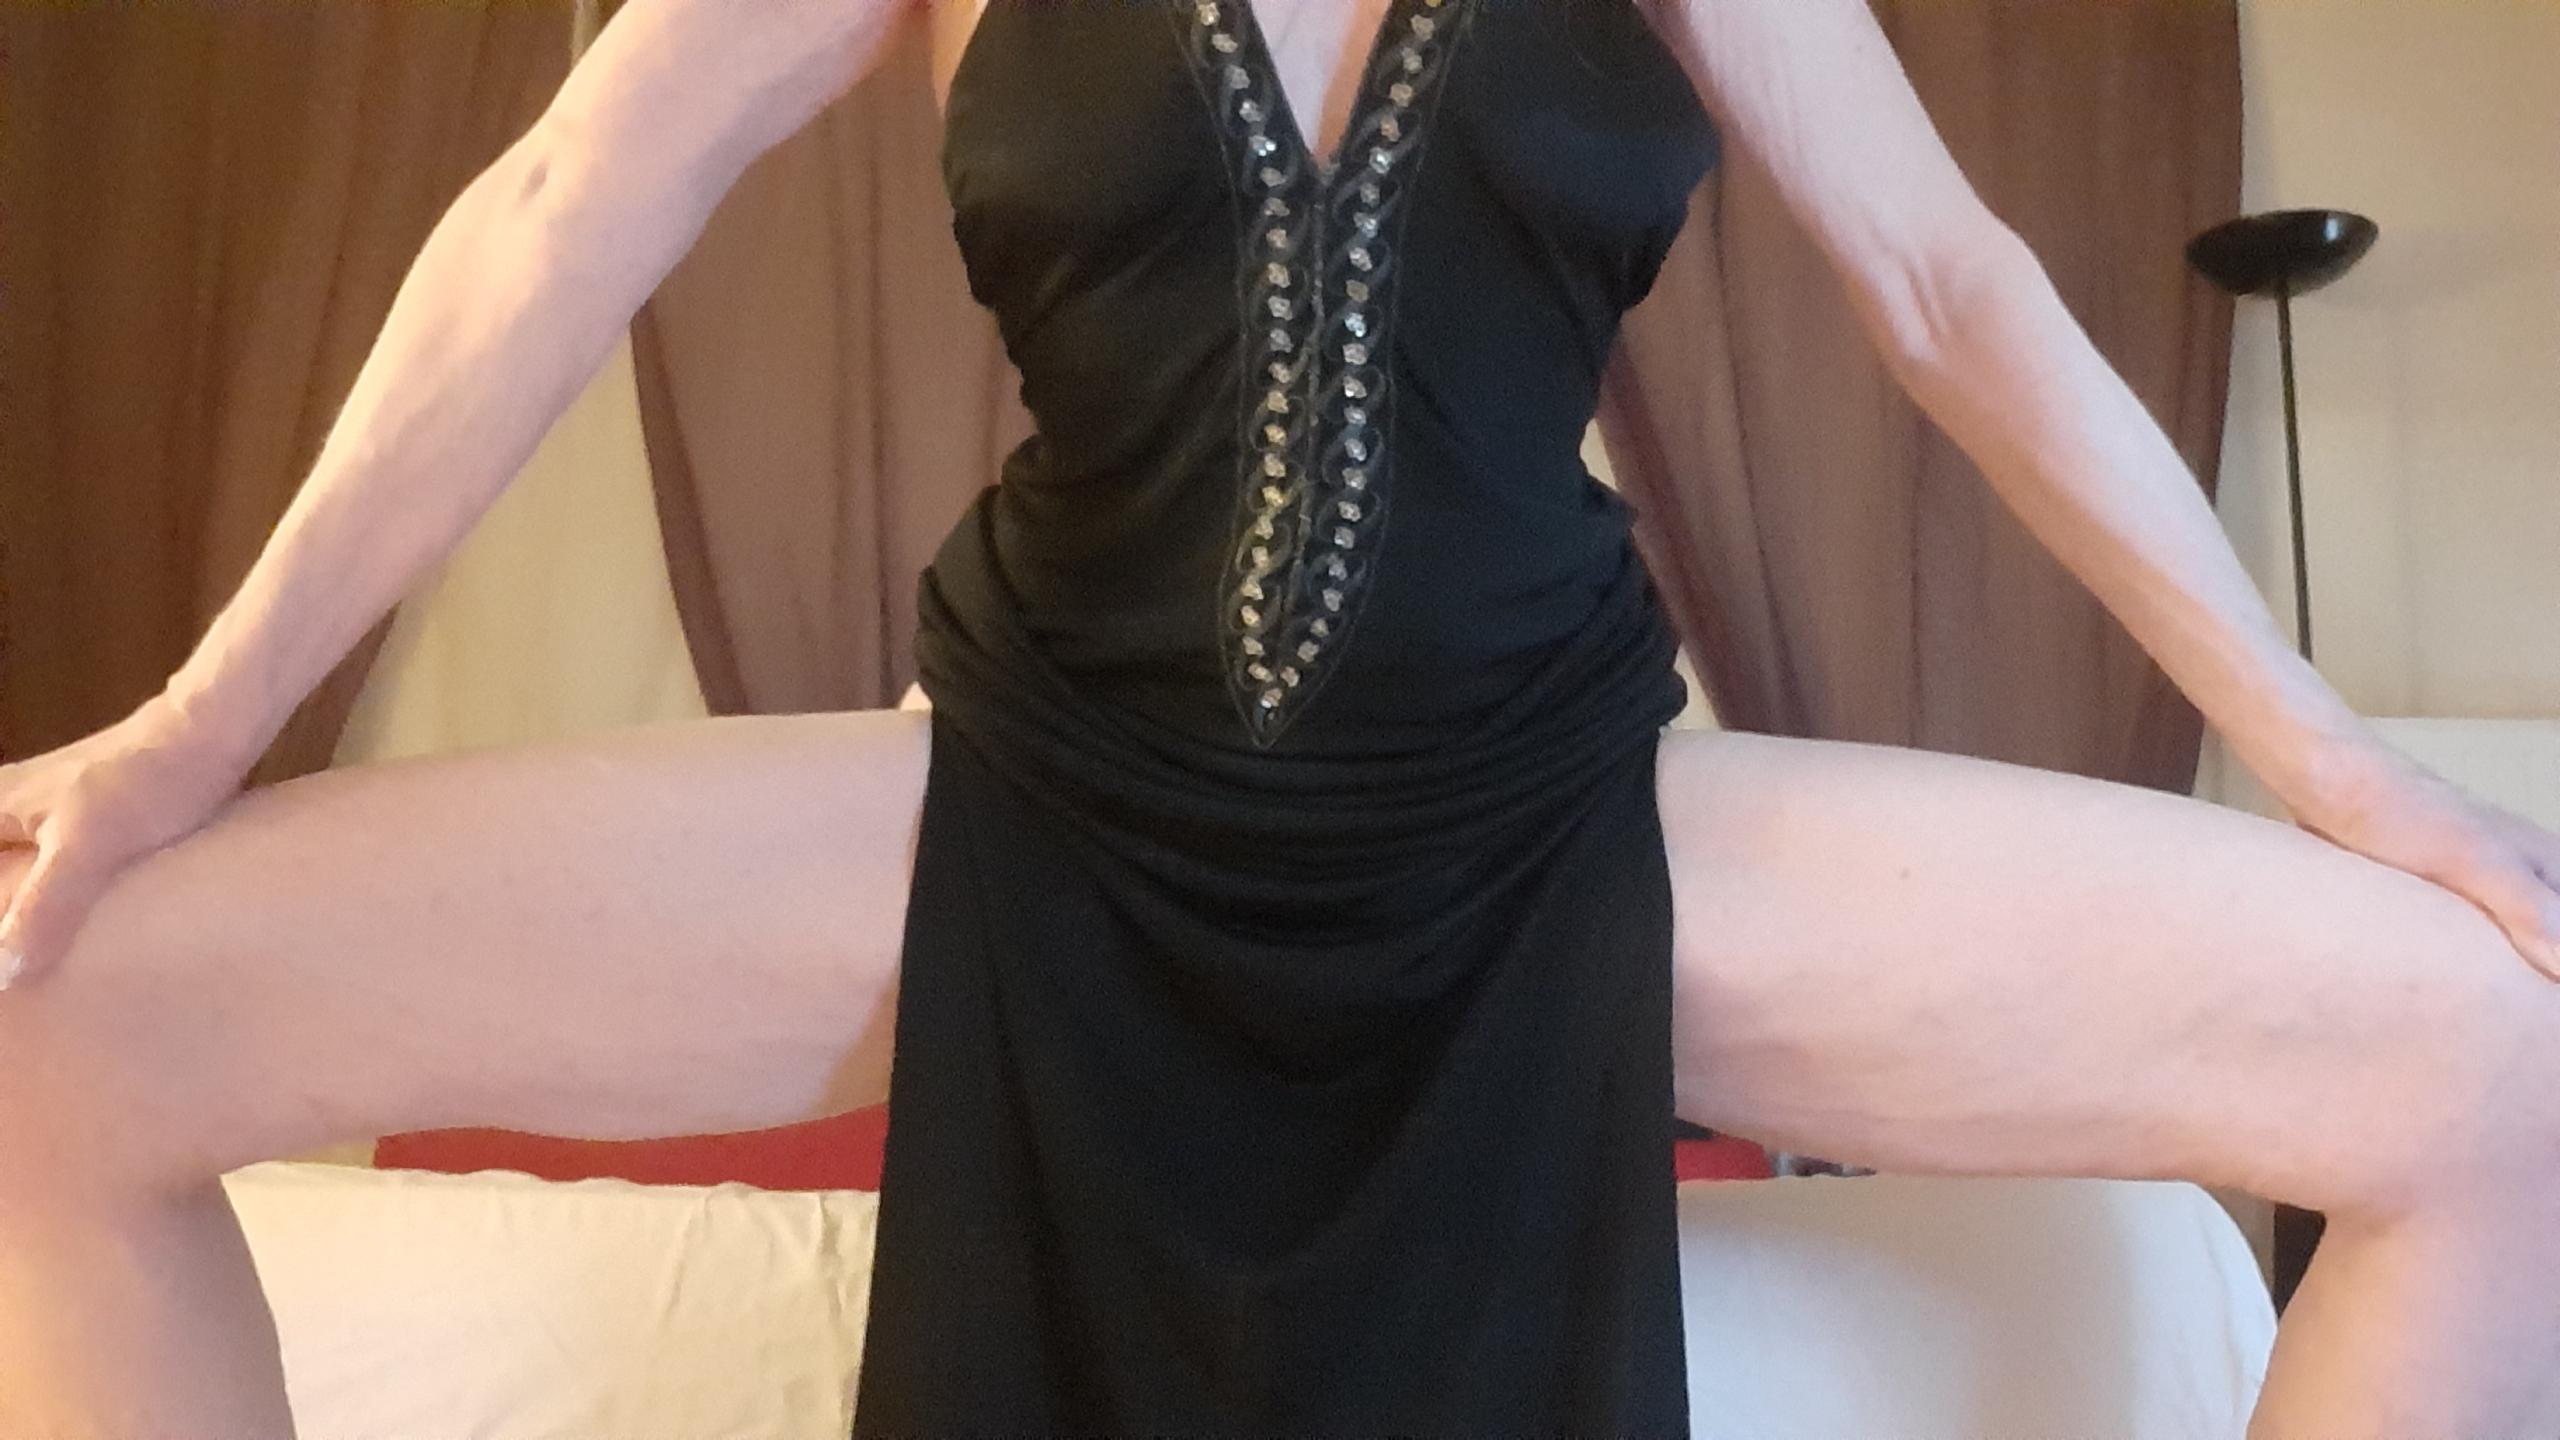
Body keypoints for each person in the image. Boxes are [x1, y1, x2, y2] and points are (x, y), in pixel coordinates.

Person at [4, 0, 2558, 1434]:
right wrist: (207, 717)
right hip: (1035, 793)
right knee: (57, 1025)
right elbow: (562, 207)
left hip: (1553, 808)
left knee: (2482, 1061)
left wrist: (2320, 749)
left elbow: (1945, 283)